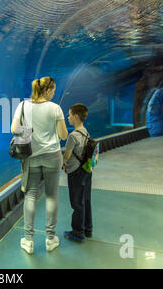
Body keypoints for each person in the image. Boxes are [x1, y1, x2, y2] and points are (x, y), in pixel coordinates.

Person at [11, 76, 68, 254]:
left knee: (30, 196)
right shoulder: (55, 108)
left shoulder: (23, 106)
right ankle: (50, 239)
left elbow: (14, 129)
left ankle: (28, 241)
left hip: (32, 156)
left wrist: (30, 130)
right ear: (48, 90)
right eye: (53, 90)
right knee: (51, 196)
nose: (54, 93)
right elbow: (63, 135)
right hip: (52, 156)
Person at [62, 103, 92, 242]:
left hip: (75, 173)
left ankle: (77, 232)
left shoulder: (73, 136)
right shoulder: (86, 132)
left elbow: (67, 156)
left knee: (76, 203)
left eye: (69, 115)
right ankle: (87, 228)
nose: (68, 118)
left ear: (75, 116)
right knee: (85, 200)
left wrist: (62, 163)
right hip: (86, 171)